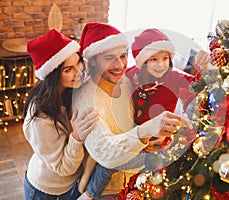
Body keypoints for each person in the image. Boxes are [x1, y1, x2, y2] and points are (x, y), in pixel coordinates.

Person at [72, 22, 189, 200]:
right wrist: (145, 131)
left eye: (123, 56)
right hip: (107, 191)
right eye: (110, 58)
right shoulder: (88, 102)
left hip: (135, 180)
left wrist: (148, 140)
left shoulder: (125, 80)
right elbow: (105, 152)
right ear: (93, 60)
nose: (120, 65)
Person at [23, 29, 99, 200]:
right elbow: (64, 168)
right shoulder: (39, 117)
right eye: (68, 70)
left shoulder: (70, 90)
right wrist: (77, 136)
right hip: (45, 191)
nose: (79, 72)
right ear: (53, 75)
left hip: (71, 185)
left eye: (78, 62)